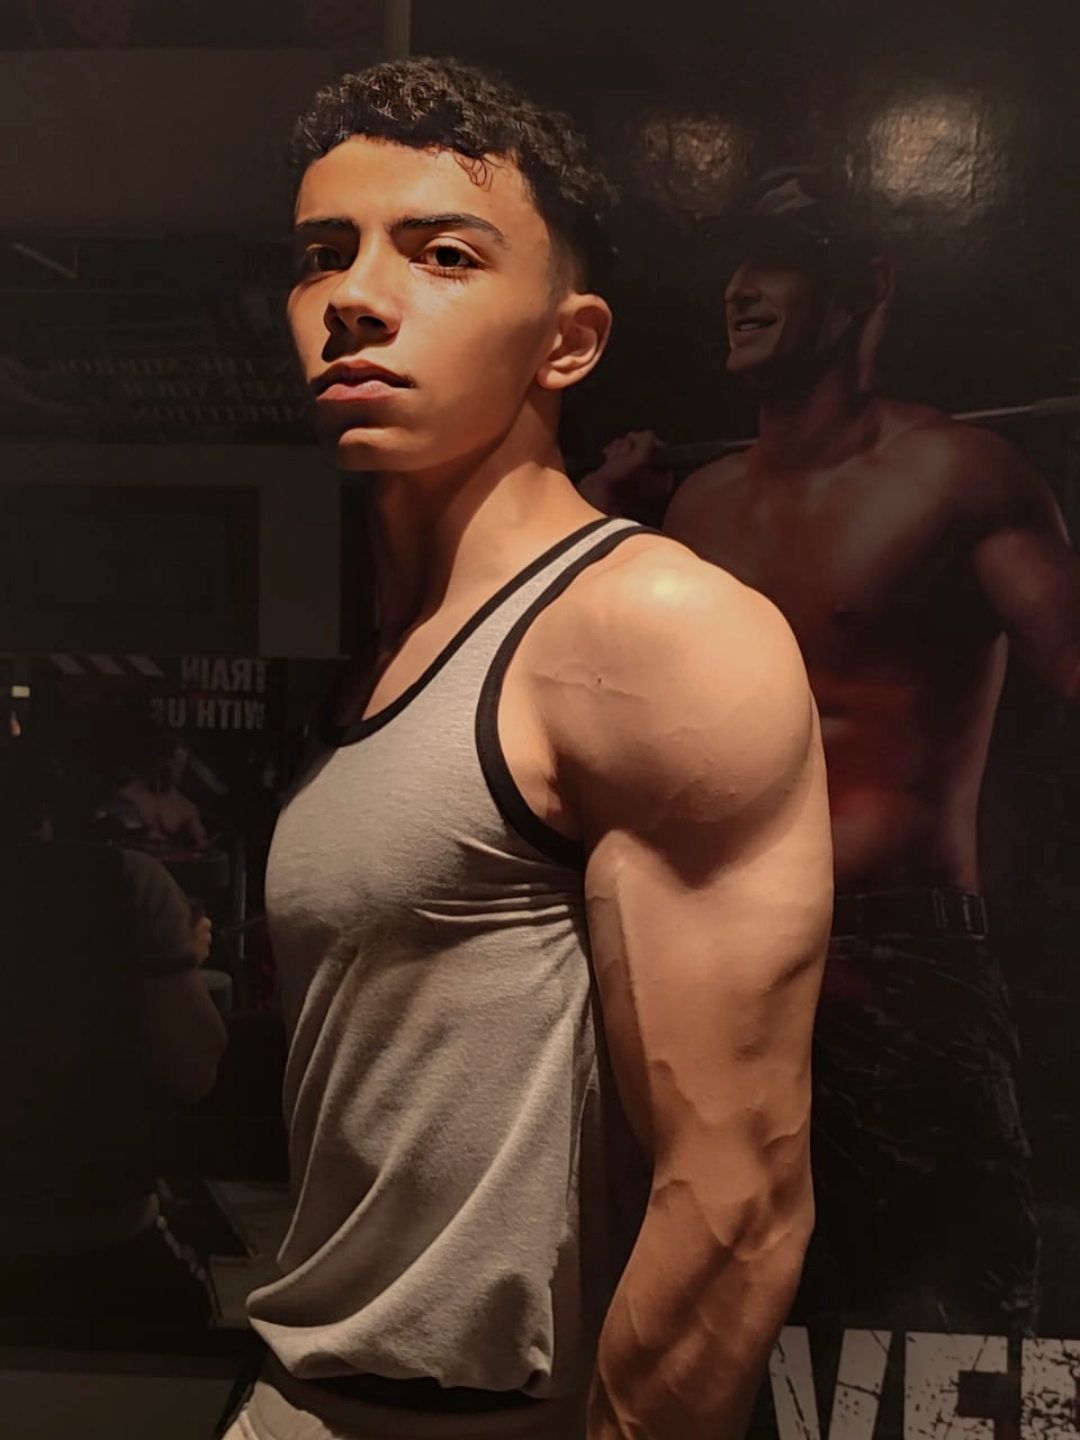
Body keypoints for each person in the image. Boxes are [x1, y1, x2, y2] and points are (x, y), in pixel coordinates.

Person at [220, 60, 832, 1440]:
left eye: (443, 254)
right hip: (294, 1396)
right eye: (323, 255)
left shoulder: (647, 633)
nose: (357, 296)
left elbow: (738, 1202)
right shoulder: (383, 658)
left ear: (569, 341)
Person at [581, 167, 1080, 1334]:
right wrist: (600, 516)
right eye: (734, 267)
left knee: (944, 1336)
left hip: (898, 961)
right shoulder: (692, 510)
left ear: (865, 288)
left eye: (778, 264)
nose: (740, 291)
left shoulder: (956, 475)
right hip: (713, 967)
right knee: (716, 1322)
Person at [0, 739, 228, 1339]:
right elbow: (193, 1069)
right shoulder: (126, 880)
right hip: (100, 1244)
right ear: (49, 806)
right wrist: (178, 960)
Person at [116, 731, 210, 851]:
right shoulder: (129, 796)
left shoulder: (186, 807)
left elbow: (202, 846)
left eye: (183, 765)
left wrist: (202, 846)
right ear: (159, 762)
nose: (182, 771)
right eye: (177, 764)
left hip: (171, 861)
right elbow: (116, 842)